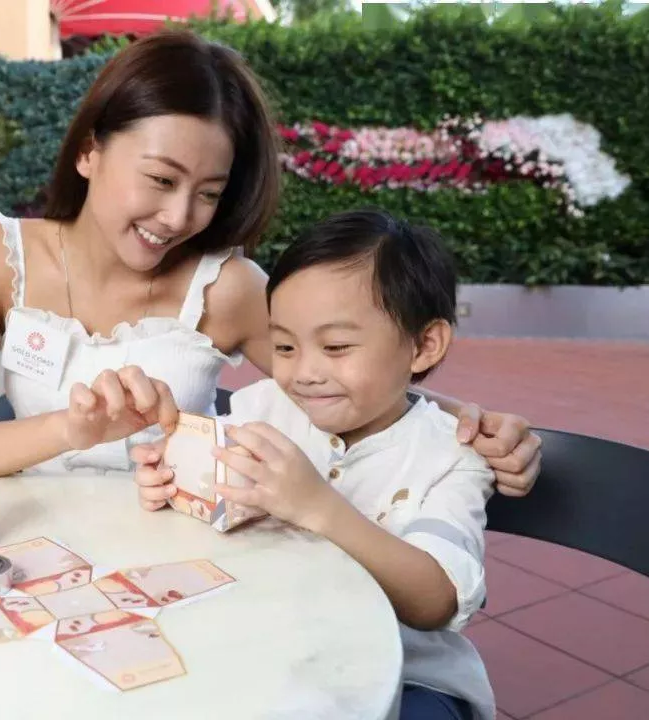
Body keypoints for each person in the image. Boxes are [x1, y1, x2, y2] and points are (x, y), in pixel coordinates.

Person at [0, 28, 542, 495]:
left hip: (185, 559)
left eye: (208, 193)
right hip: (36, 552)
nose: (179, 217)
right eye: (161, 179)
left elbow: (349, 380)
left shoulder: (227, 288)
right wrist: (71, 430)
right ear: (89, 152)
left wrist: (472, 422)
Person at [133, 208, 498, 719]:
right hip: (278, 651)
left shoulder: (452, 457)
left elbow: (434, 602)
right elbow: (212, 489)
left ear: (423, 345)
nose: (304, 372)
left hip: (410, 676)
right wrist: (171, 477)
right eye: (284, 345)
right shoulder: (265, 408)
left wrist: (317, 507)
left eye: (335, 346)